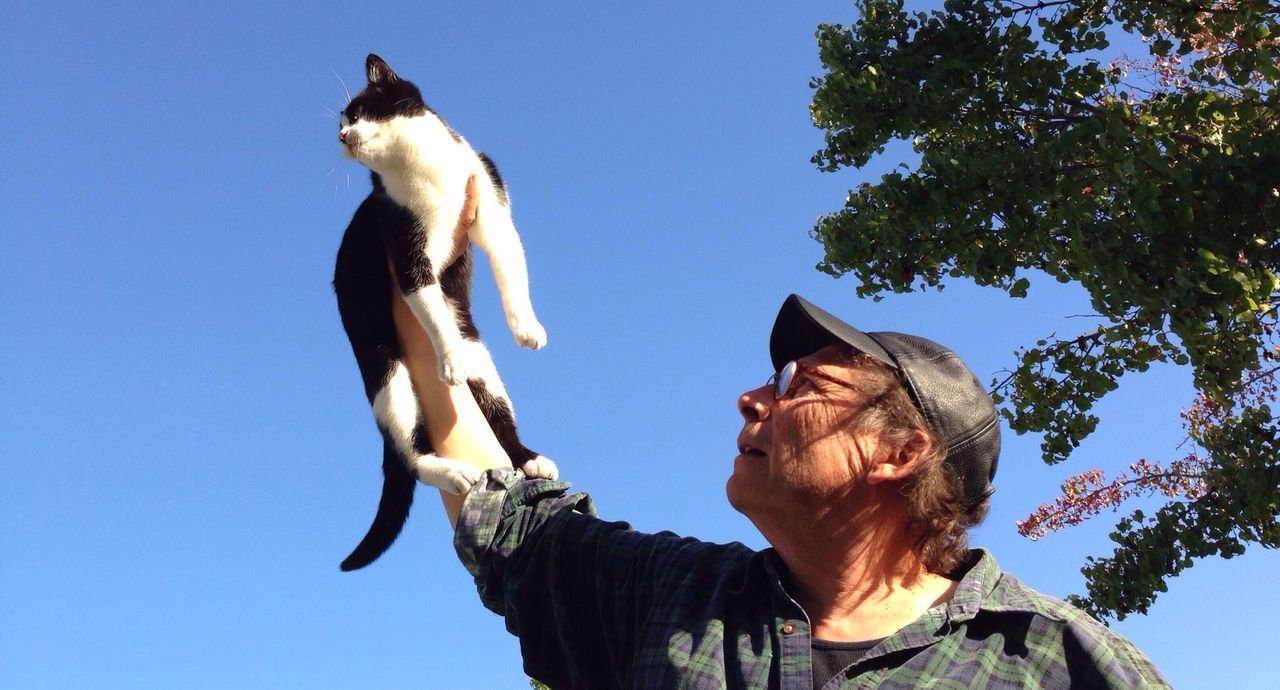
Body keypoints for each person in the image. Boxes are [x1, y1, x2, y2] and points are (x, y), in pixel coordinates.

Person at [393, 272, 1169, 687]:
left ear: (897, 453)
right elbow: (510, 521)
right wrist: (417, 289)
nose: (752, 396)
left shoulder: (1062, 664)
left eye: (799, 384)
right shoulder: (674, 599)